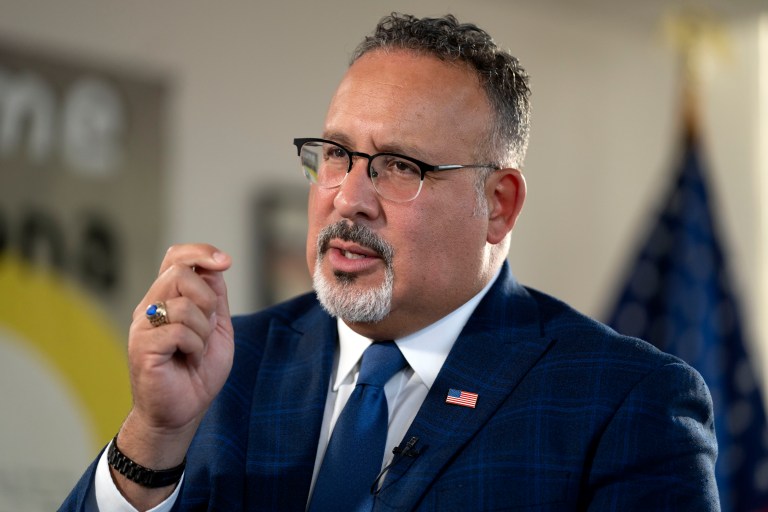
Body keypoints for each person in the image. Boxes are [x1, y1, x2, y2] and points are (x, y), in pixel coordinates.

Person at [61, 12, 719, 512]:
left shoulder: (626, 401)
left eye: (400, 165)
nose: (348, 197)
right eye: (337, 154)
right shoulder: (228, 367)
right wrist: (154, 434)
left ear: (498, 204)